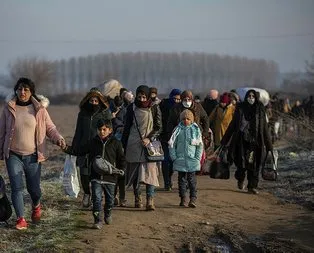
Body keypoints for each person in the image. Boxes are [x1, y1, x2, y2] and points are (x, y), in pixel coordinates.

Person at [0, 77, 66, 230]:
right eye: (19, 89)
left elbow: (50, 128)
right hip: (13, 155)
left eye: (26, 89)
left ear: (31, 92)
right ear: (15, 91)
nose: (22, 92)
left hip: (33, 156)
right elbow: (1, 132)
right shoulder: (8, 108)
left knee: (34, 190)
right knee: (16, 187)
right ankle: (21, 219)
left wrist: (59, 139)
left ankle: (36, 206)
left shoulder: (40, 109)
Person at [64, 119, 126, 228]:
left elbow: (121, 159)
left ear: (110, 130)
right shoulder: (92, 142)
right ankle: (97, 220)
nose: (101, 132)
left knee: (110, 200)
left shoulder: (116, 143)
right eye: (99, 129)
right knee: (96, 199)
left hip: (110, 178)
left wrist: (122, 170)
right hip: (95, 177)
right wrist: (66, 148)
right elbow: (80, 150)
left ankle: (108, 213)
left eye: (104, 129)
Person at [221, 89, 273, 194]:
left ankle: (252, 186)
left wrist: (269, 145)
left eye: (253, 96)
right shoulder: (240, 108)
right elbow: (233, 125)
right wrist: (224, 140)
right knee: (241, 164)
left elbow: (264, 128)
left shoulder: (260, 109)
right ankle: (240, 178)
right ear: (246, 97)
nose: (251, 98)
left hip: (255, 142)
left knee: (253, 164)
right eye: (249, 96)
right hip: (241, 141)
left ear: (256, 98)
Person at [121, 85, 162, 211]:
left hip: (149, 145)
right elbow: (126, 128)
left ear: (149, 96)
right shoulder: (131, 109)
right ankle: (137, 198)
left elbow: (159, 127)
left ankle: (150, 200)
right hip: (133, 144)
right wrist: (122, 145)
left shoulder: (154, 108)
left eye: (144, 97)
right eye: (139, 97)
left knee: (151, 173)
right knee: (135, 174)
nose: (142, 99)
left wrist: (149, 138)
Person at [71, 88, 112, 208]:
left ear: (100, 101)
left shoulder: (104, 113)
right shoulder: (82, 114)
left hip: (97, 148)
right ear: (87, 100)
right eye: (91, 100)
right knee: (84, 174)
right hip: (83, 147)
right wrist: (74, 147)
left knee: (96, 174)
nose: (94, 103)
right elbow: (78, 131)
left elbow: (109, 132)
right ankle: (87, 194)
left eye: (96, 100)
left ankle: (96, 198)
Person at [168, 109, 203, 207]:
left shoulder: (195, 130)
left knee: (192, 181)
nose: (186, 121)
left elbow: (199, 145)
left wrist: (197, 157)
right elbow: (172, 145)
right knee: (182, 181)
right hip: (180, 160)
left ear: (191, 119)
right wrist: (174, 157)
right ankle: (183, 198)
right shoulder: (177, 130)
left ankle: (193, 199)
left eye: (188, 119)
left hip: (192, 160)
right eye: (183, 119)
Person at [159, 88, 182, 191]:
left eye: (178, 99)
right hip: (165, 137)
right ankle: (167, 182)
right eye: (175, 99)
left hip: (176, 138)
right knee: (166, 160)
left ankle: (169, 178)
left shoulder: (180, 108)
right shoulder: (163, 105)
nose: (176, 101)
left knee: (172, 161)